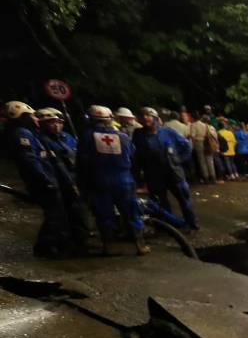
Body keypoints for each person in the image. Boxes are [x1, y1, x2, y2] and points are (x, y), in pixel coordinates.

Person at [5, 101, 75, 258]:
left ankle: (53, 246)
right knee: (55, 216)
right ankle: (46, 247)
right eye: (32, 116)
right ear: (23, 116)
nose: (35, 119)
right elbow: (30, 160)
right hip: (43, 181)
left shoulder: (28, 133)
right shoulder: (23, 133)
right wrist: (45, 180)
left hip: (46, 179)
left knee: (57, 215)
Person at [77, 104, 149, 256]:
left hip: (99, 180)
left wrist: (82, 184)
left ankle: (108, 246)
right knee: (131, 212)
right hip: (124, 180)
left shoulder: (86, 136)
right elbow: (132, 157)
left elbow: (82, 162)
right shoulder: (122, 136)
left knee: (104, 214)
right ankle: (140, 245)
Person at [133, 106, 198, 231]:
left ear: (155, 117)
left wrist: (178, 160)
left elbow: (186, 146)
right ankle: (170, 226)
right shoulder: (138, 134)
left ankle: (191, 223)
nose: (145, 118)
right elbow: (137, 155)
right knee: (162, 202)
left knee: (184, 199)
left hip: (174, 173)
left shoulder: (168, 132)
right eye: (142, 115)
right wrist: (138, 175)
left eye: (148, 115)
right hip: (154, 174)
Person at [35, 108, 90, 252]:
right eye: (51, 123)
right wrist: (70, 184)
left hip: (75, 178)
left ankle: (79, 241)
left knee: (78, 212)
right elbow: (57, 164)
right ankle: (53, 245)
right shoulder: (42, 140)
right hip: (60, 182)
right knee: (59, 215)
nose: (55, 125)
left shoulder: (68, 137)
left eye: (58, 122)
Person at [188, 111, 217, 184]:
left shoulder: (194, 125)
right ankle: (213, 177)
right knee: (210, 160)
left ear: (193, 118)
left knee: (202, 161)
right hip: (207, 143)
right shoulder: (205, 125)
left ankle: (206, 178)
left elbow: (193, 136)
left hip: (199, 143)